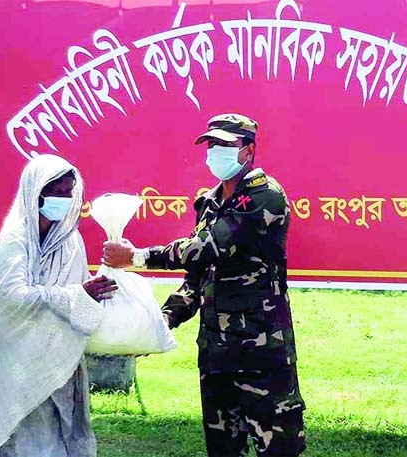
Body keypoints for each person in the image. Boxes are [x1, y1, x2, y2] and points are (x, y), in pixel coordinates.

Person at [103, 113, 306, 456]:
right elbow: (197, 279)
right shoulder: (210, 202)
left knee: (279, 450)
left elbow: (208, 247)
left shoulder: (264, 197)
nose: (215, 152)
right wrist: (157, 322)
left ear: (249, 150)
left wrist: (138, 258)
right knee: (223, 449)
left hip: (261, 355)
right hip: (216, 355)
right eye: (212, 144)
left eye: (226, 145)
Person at [0, 154, 118, 457]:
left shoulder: (71, 240)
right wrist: (72, 294)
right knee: (30, 439)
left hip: (61, 356)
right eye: (56, 192)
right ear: (35, 193)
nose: (64, 199)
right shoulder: (16, 238)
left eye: (69, 192)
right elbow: (12, 295)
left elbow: (80, 297)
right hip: (18, 357)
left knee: (66, 434)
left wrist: (94, 293)